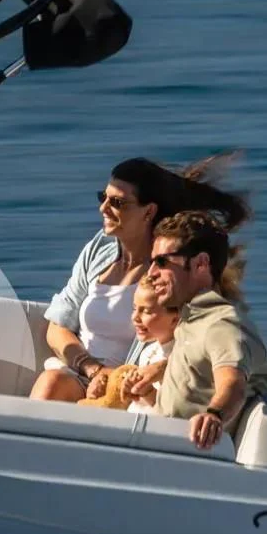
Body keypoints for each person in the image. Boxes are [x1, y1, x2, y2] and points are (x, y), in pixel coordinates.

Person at [31, 155, 249, 403]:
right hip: (80, 375)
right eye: (103, 197)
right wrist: (92, 369)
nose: (103, 208)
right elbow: (58, 325)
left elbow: (201, 339)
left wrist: (141, 373)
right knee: (52, 382)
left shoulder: (169, 272)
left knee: (52, 385)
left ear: (149, 211)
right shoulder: (99, 249)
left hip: (131, 390)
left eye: (117, 202)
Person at [146, 209, 267, 451]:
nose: (151, 273)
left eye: (162, 262)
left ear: (200, 264)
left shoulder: (221, 324)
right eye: (151, 262)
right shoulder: (192, 320)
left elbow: (232, 383)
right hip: (161, 445)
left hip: (185, 457)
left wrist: (214, 415)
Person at [78, 272, 179, 413]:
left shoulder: (181, 358)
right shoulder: (148, 353)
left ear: (175, 319)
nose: (135, 317)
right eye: (134, 308)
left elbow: (175, 414)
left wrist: (148, 392)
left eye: (147, 311)